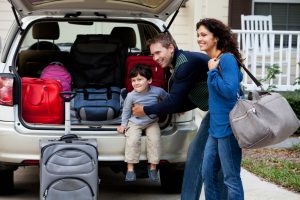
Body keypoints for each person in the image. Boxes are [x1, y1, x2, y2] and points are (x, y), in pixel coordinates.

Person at [132, 33, 226, 200]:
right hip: (217, 110)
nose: (154, 58)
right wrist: (178, 105)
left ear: (170, 48)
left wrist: (145, 110)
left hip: (225, 111)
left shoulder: (185, 65)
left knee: (208, 159)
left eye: (158, 53)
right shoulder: (177, 63)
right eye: (152, 54)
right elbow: (192, 94)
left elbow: (174, 101)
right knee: (201, 156)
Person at [196, 18, 244, 200]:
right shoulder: (215, 60)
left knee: (231, 178)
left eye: (203, 35)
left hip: (228, 128)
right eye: (198, 35)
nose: (199, 39)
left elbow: (230, 91)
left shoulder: (227, 59)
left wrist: (212, 72)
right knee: (207, 174)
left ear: (215, 38)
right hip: (215, 130)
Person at [117, 64, 168, 182]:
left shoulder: (158, 91)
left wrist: (177, 109)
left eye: (140, 79)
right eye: (133, 80)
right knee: (132, 140)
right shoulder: (130, 96)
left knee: (155, 140)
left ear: (149, 80)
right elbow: (126, 111)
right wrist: (123, 124)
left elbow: (168, 100)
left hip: (152, 122)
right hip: (135, 122)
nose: (136, 83)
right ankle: (130, 169)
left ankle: (153, 167)